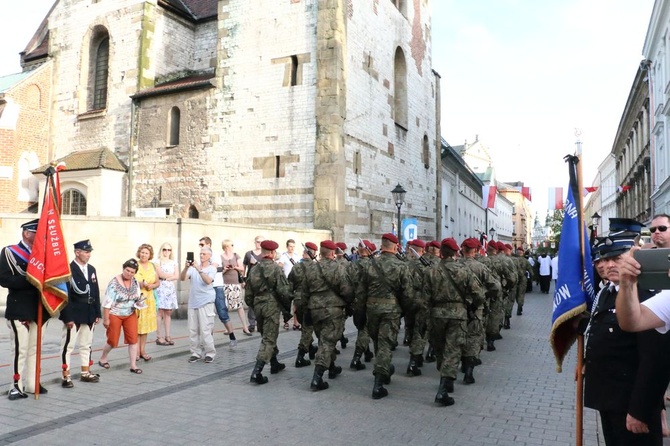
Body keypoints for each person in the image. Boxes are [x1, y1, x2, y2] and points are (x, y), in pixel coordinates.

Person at [584, 219, 665, 444]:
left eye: (616, 259)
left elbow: (654, 360)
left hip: (631, 403)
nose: (607, 265)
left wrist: (641, 409)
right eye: (603, 259)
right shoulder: (608, 292)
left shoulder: (646, 295)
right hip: (610, 397)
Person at [424, 238, 484, 406]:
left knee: (441, 348)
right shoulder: (463, 270)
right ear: (456, 252)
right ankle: (443, 390)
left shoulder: (430, 271)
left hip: (436, 314)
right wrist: (473, 307)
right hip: (458, 315)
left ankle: (446, 379)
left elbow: (424, 297)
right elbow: (478, 294)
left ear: (441, 253)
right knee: (453, 349)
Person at [354, 233, 415, 399]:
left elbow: (360, 292)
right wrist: (407, 311)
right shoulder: (401, 266)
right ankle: (378, 384)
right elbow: (408, 294)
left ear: (382, 246)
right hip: (391, 311)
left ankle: (384, 370)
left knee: (378, 343)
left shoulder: (370, 265)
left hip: (371, 309)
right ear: (395, 247)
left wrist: (358, 313)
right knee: (385, 345)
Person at [1, 219, 51, 400]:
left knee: (34, 349)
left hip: (39, 309)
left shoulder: (44, 254)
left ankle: (32, 383)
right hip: (20, 307)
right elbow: (5, 279)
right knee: (20, 349)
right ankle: (15, 385)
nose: (40, 237)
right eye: (36, 233)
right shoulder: (10, 252)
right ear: (26, 233)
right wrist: (31, 281)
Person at [302, 240, 354, 391]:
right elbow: (346, 290)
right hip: (333, 310)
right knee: (327, 342)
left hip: (315, 309)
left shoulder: (311, 268)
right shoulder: (338, 267)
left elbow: (303, 292)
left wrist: (304, 310)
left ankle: (332, 368)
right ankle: (317, 379)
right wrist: (349, 303)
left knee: (324, 340)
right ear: (332, 253)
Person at [245, 240, 293, 384]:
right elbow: (284, 292)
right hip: (271, 306)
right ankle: (256, 372)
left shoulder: (254, 269)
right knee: (269, 339)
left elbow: (248, 295)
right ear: (272, 253)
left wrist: (255, 304)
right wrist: (286, 307)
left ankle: (274, 363)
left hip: (258, 306)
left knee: (267, 334)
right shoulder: (276, 269)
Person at [59, 239, 101, 388]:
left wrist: (97, 313)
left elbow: (95, 292)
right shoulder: (68, 270)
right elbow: (65, 296)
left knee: (86, 344)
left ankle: (85, 372)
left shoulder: (91, 269)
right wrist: (67, 317)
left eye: (90, 252)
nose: (89, 254)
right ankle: (66, 376)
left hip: (89, 313)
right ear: (77, 252)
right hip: (74, 313)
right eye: (86, 252)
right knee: (68, 346)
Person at [459, 237, 500, 384]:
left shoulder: (454, 265)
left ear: (462, 249)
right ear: (476, 251)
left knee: (456, 337)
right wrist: (485, 297)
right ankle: (469, 372)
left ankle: (461, 365)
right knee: (474, 337)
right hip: (476, 308)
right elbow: (496, 287)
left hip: (456, 308)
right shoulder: (480, 267)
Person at [98, 259, 144, 374]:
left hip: (130, 313)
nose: (129, 273)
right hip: (115, 313)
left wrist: (140, 303)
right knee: (113, 340)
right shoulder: (114, 283)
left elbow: (137, 296)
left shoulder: (135, 282)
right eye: (127, 270)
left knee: (133, 339)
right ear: (123, 269)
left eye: (132, 272)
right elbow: (107, 302)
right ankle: (103, 357)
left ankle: (133, 365)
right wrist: (106, 318)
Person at [181, 245, 217, 363]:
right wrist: (186, 268)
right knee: (193, 329)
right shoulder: (193, 268)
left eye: (204, 254)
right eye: (200, 253)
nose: (201, 256)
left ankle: (210, 353)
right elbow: (182, 278)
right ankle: (195, 353)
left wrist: (199, 269)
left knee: (205, 329)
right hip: (193, 302)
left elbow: (208, 281)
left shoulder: (212, 268)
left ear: (209, 256)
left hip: (206, 301)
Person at [289, 241, 319, 368]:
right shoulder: (315, 267)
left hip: (298, 300)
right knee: (307, 329)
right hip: (310, 301)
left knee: (304, 327)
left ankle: (311, 348)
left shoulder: (296, 267)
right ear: (313, 253)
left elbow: (289, 285)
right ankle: (300, 357)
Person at [349, 240, 376, 370]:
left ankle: (367, 352)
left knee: (361, 327)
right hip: (368, 301)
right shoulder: (372, 266)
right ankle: (356, 358)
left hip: (355, 301)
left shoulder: (351, 265)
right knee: (364, 329)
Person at [217, 239, 250, 343]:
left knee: (239, 305)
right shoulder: (220, 257)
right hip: (224, 283)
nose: (232, 247)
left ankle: (245, 327)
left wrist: (234, 267)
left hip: (235, 283)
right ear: (226, 246)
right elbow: (217, 271)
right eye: (230, 245)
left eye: (232, 245)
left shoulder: (236, 256)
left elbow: (242, 269)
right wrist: (225, 269)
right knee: (225, 306)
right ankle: (228, 328)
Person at [134, 244, 159, 361]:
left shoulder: (152, 266)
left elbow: (157, 282)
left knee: (146, 326)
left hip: (149, 298)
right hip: (138, 298)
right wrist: (140, 284)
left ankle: (142, 350)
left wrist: (152, 285)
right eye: (142, 252)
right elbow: (129, 280)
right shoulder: (134, 264)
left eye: (146, 253)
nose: (144, 255)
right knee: (137, 326)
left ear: (150, 255)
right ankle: (136, 351)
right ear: (139, 253)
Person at [154, 242, 179, 346]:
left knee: (168, 312)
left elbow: (177, 276)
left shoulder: (174, 262)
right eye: (165, 249)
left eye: (169, 250)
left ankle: (168, 335)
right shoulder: (157, 261)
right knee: (160, 312)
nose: (167, 252)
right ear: (161, 250)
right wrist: (169, 276)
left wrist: (166, 277)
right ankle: (159, 336)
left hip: (170, 289)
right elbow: (160, 274)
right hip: (160, 287)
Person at [243, 235, 265, 332]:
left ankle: (260, 323)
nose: (259, 244)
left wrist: (255, 263)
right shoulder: (248, 254)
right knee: (251, 303)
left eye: (261, 242)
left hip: (261, 282)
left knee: (261, 303)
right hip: (250, 281)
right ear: (254, 242)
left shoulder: (265, 254)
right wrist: (243, 280)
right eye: (257, 242)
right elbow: (243, 267)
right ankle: (251, 324)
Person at [278, 239, 301, 330]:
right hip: (287, 282)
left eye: (293, 246)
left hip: (295, 281)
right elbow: (279, 267)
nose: (292, 248)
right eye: (290, 246)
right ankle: (286, 322)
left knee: (296, 303)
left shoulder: (297, 256)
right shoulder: (283, 256)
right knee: (286, 303)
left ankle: (296, 323)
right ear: (287, 247)